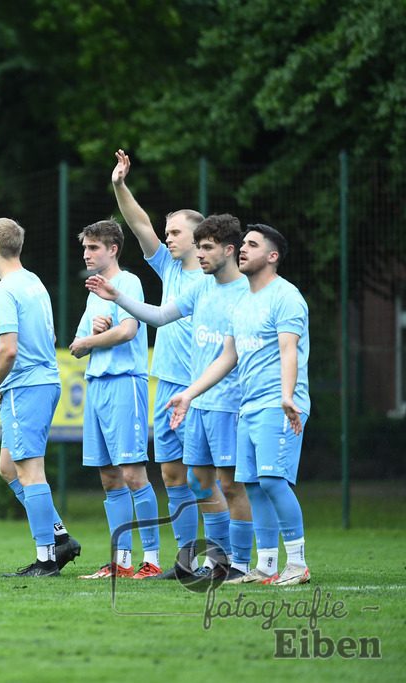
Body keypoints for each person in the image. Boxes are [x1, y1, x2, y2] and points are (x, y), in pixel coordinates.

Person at [86, 213, 256, 583]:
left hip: (221, 398)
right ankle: (200, 561)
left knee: (235, 483)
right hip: (180, 392)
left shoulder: (245, 290)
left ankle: (256, 561)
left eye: (181, 234)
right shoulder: (193, 283)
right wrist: (117, 296)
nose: (171, 240)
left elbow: (235, 353)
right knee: (189, 478)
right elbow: (161, 316)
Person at [166, 224, 311, 586]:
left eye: (252, 244)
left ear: (272, 256)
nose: (242, 249)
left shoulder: (286, 296)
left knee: (274, 481)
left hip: (279, 405)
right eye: (242, 243)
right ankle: (264, 567)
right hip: (248, 407)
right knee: (255, 485)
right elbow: (225, 358)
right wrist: (189, 393)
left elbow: (288, 350)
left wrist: (287, 396)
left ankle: (298, 564)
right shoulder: (242, 301)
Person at [110, 150, 203, 578]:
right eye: (167, 232)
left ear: (199, 238)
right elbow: (140, 224)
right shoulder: (168, 268)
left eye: (176, 232)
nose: (167, 238)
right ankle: (186, 559)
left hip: (201, 384)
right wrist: (120, 186)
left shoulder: (212, 276)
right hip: (165, 383)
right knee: (171, 473)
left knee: (211, 477)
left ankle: (225, 557)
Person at [0, 218, 81, 578]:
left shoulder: (4, 290)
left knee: (29, 471)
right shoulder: (34, 282)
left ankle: (46, 560)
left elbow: (8, 350)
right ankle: (60, 537)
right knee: (9, 468)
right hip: (44, 381)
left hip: (24, 386)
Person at [68, 220, 159, 579]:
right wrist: (90, 335)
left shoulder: (127, 282)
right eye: (85, 248)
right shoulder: (93, 293)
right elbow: (76, 345)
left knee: (134, 474)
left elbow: (129, 329)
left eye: (93, 248)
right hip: (97, 385)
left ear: (112, 250)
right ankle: (120, 562)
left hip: (125, 383)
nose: (87, 254)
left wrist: (91, 341)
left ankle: (150, 560)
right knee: (109, 476)